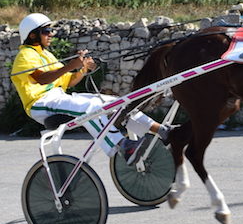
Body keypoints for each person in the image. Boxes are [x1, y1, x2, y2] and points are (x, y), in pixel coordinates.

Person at [10, 13, 171, 164]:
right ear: (32, 35)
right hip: (40, 103)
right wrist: (69, 66)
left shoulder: (46, 55)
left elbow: (70, 81)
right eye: (46, 31)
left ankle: (161, 130)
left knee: (116, 103)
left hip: (59, 98)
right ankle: (122, 146)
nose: (51, 34)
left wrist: (83, 68)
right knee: (91, 109)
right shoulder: (25, 56)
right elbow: (42, 79)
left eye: (51, 30)